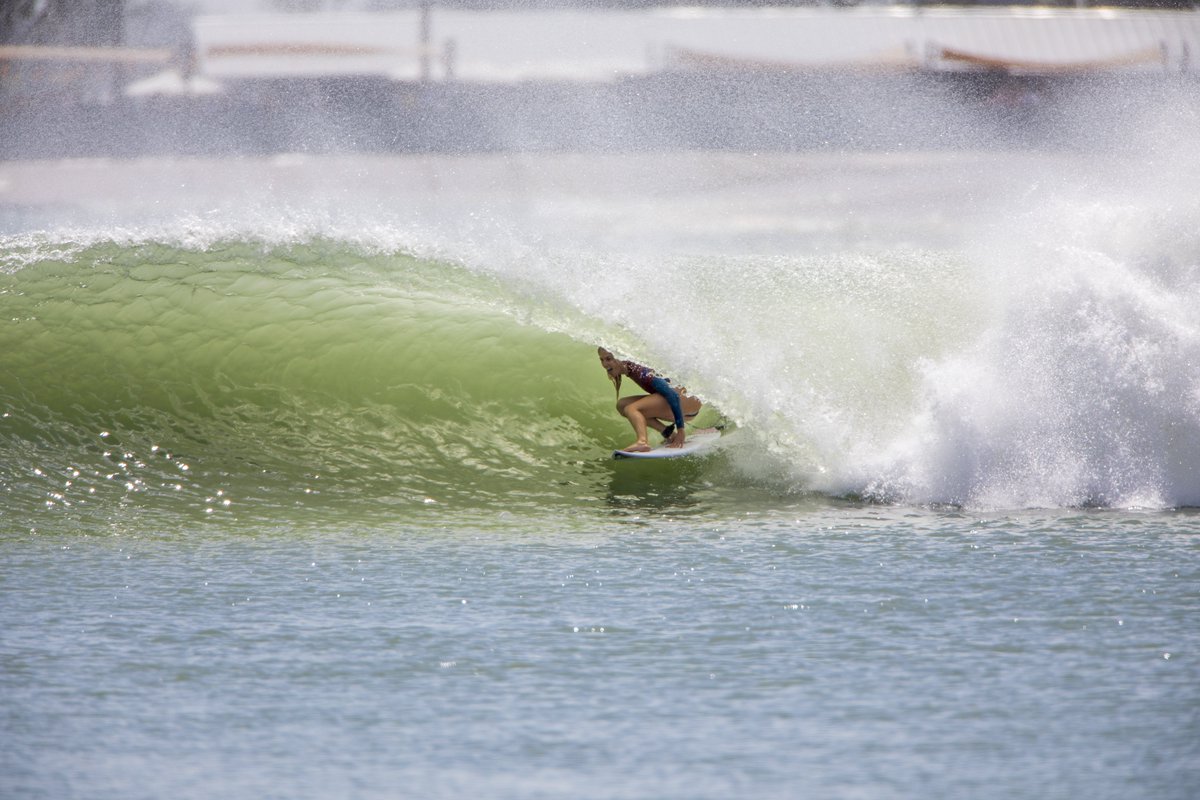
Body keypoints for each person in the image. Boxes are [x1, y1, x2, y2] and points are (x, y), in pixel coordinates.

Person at [598, 347, 701, 452]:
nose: (605, 364)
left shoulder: (640, 371)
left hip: (686, 402)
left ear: (620, 358)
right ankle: (669, 434)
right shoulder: (630, 369)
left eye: (609, 359)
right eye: (602, 360)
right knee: (622, 405)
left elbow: (673, 395)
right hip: (679, 404)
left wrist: (681, 430)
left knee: (631, 409)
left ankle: (642, 442)